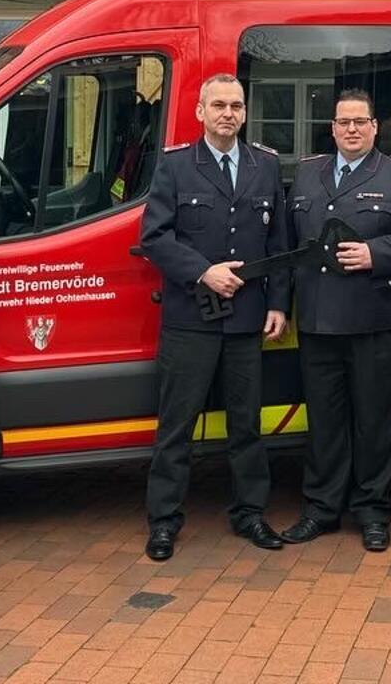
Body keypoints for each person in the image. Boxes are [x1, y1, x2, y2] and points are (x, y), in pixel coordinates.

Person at [137, 74, 290, 561]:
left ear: (245, 113)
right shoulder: (176, 167)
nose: (228, 113)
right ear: (200, 111)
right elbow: (155, 238)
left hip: (246, 319)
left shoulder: (265, 166)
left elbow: (279, 243)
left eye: (236, 105)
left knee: (246, 426)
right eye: (219, 105)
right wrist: (203, 271)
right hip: (190, 320)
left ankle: (250, 513)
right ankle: (163, 522)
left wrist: (278, 303)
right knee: (176, 428)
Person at [280, 90, 391, 551]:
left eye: (360, 122)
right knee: (325, 422)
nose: (351, 129)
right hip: (317, 319)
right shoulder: (307, 173)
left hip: (376, 319)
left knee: (376, 422)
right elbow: (289, 246)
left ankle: (373, 510)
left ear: (374, 127)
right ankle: (322, 509)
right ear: (332, 128)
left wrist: (375, 253)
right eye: (343, 122)